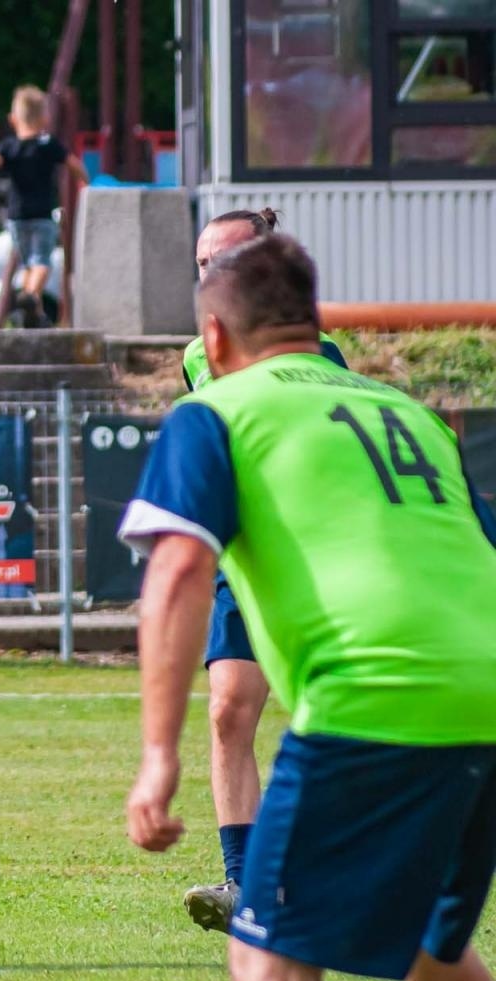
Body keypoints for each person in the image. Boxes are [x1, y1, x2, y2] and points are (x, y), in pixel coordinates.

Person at [121, 234, 496, 981]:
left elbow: (178, 570)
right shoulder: (409, 414)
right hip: (486, 697)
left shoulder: (218, 411)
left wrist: (156, 756)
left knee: (269, 959)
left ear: (212, 337)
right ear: (312, 323)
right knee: (436, 958)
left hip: (377, 699)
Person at [176, 209, 353, 934]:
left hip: (313, 557)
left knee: (327, 718)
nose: (208, 278)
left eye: (222, 262)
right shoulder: (199, 353)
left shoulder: (323, 357)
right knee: (227, 711)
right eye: (201, 266)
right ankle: (244, 885)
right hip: (245, 555)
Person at [0, 86, 88, 328]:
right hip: (43, 216)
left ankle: (36, 313)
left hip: (16, 218)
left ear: (13, 119)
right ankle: (32, 296)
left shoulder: (9, 146)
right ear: (45, 118)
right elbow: (74, 165)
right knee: (42, 262)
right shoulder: (48, 144)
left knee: (28, 265)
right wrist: (87, 184)